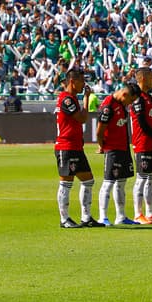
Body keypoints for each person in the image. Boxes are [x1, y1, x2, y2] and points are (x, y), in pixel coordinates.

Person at [54, 69, 97, 228]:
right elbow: (82, 118)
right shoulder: (66, 99)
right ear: (72, 82)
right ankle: (64, 219)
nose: (84, 84)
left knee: (88, 180)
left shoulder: (71, 98)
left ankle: (86, 217)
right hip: (66, 146)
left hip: (75, 146)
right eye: (81, 81)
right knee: (66, 182)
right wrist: (86, 98)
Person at [96, 80, 140, 226]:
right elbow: (100, 131)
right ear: (125, 94)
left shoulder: (121, 104)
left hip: (123, 148)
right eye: (131, 100)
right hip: (113, 149)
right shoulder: (108, 106)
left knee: (121, 183)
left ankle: (121, 216)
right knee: (108, 182)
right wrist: (102, 147)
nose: (130, 104)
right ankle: (103, 217)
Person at [129, 67, 152, 224]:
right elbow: (142, 123)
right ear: (141, 78)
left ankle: (150, 212)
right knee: (141, 178)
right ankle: (138, 213)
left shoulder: (149, 97)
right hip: (142, 143)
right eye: (150, 77)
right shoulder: (138, 98)